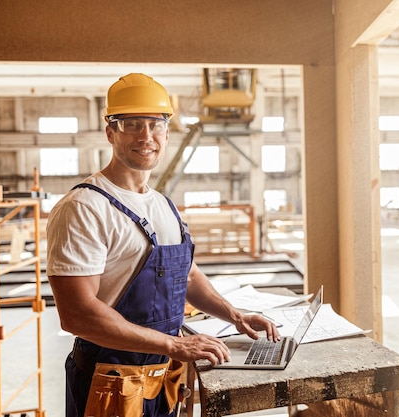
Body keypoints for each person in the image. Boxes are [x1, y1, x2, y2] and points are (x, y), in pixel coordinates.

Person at [46, 73, 279, 417]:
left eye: (155, 124)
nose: (146, 136)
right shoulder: (84, 207)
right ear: (111, 132)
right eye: (131, 124)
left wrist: (234, 315)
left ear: (167, 133)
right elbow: (77, 315)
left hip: (163, 378)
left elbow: (186, 277)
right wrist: (176, 344)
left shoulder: (164, 206)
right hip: (110, 383)